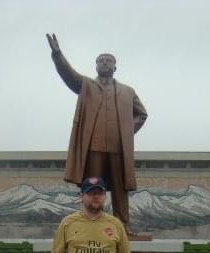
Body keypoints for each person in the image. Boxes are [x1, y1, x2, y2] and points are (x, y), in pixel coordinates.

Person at [46, 33, 148, 234]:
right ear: (96, 66)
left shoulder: (128, 91)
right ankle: (90, 226)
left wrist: (127, 132)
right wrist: (58, 54)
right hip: (93, 147)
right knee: (93, 188)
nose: (104, 63)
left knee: (120, 189)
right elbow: (69, 74)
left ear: (115, 67)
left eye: (108, 61)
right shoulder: (86, 85)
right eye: (101, 61)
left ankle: (123, 228)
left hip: (118, 149)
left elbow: (142, 114)